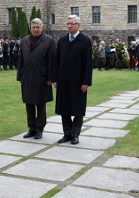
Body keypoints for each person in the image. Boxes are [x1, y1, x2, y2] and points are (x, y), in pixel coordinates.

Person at [52, 15, 93, 145]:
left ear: (78, 25)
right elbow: (57, 61)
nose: (69, 26)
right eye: (68, 23)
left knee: (78, 110)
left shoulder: (85, 41)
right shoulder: (62, 40)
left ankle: (75, 134)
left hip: (78, 82)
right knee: (64, 109)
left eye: (72, 24)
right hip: (63, 80)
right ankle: (67, 134)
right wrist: (55, 79)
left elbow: (88, 64)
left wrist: (86, 82)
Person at [17, 18, 56, 139]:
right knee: (28, 103)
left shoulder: (49, 41)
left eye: (37, 27)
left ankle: (39, 128)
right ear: (31, 27)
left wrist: (50, 78)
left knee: (40, 104)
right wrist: (20, 76)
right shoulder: (24, 40)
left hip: (42, 78)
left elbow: (52, 61)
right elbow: (21, 60)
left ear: (42, 28)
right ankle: (31, 127)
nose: (35, 29)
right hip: (27, 77)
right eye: (33, 27)